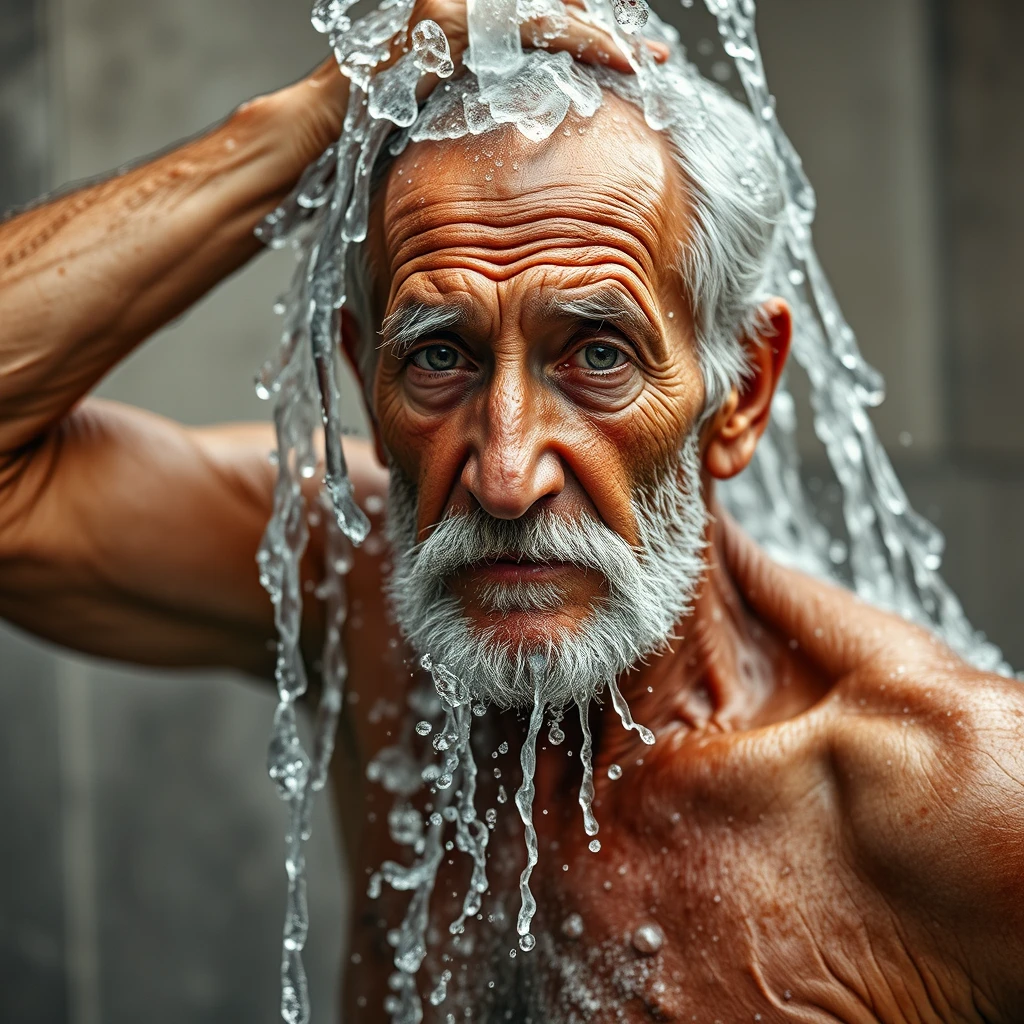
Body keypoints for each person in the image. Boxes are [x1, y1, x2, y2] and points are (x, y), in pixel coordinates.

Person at [1, 0, 1023, 1019]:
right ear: (366, 378)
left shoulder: (943, 801)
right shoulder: (356, 589)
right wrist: (306, 123)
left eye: (596, 355)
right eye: (437, 356)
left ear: (740, 391)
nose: (504, 474)